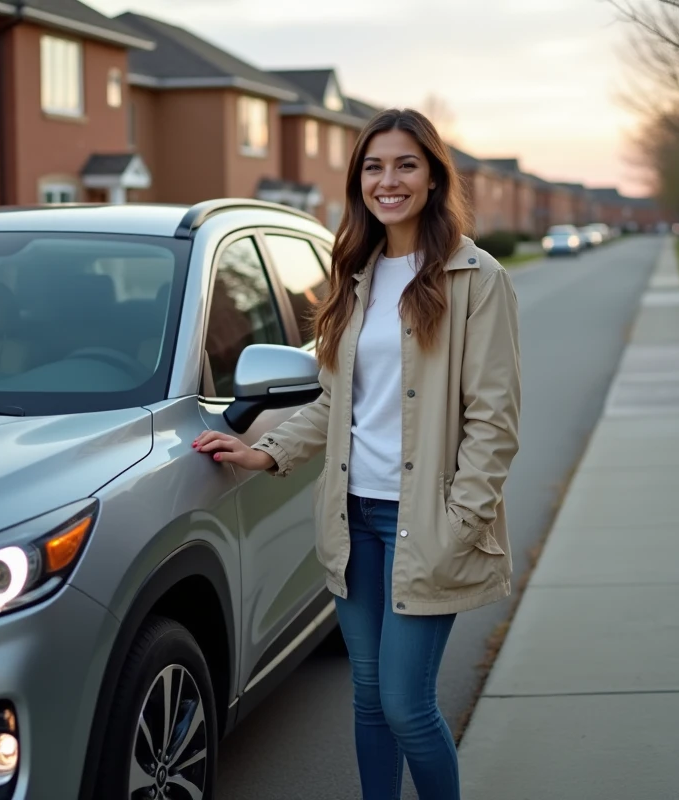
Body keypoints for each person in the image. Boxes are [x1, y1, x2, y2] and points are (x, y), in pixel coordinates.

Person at [193, 108, 521, 800]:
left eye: (405, 164)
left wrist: (459, 522)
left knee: (406, 705)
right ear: (358, 181)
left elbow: (494, 421)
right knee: (367, 700)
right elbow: (334, 403)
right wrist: (265, 452)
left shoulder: (474, 277)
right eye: (374, 166)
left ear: (433, 177)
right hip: (351, 519)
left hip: (425, 524)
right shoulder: (353, 275)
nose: (388, 180)